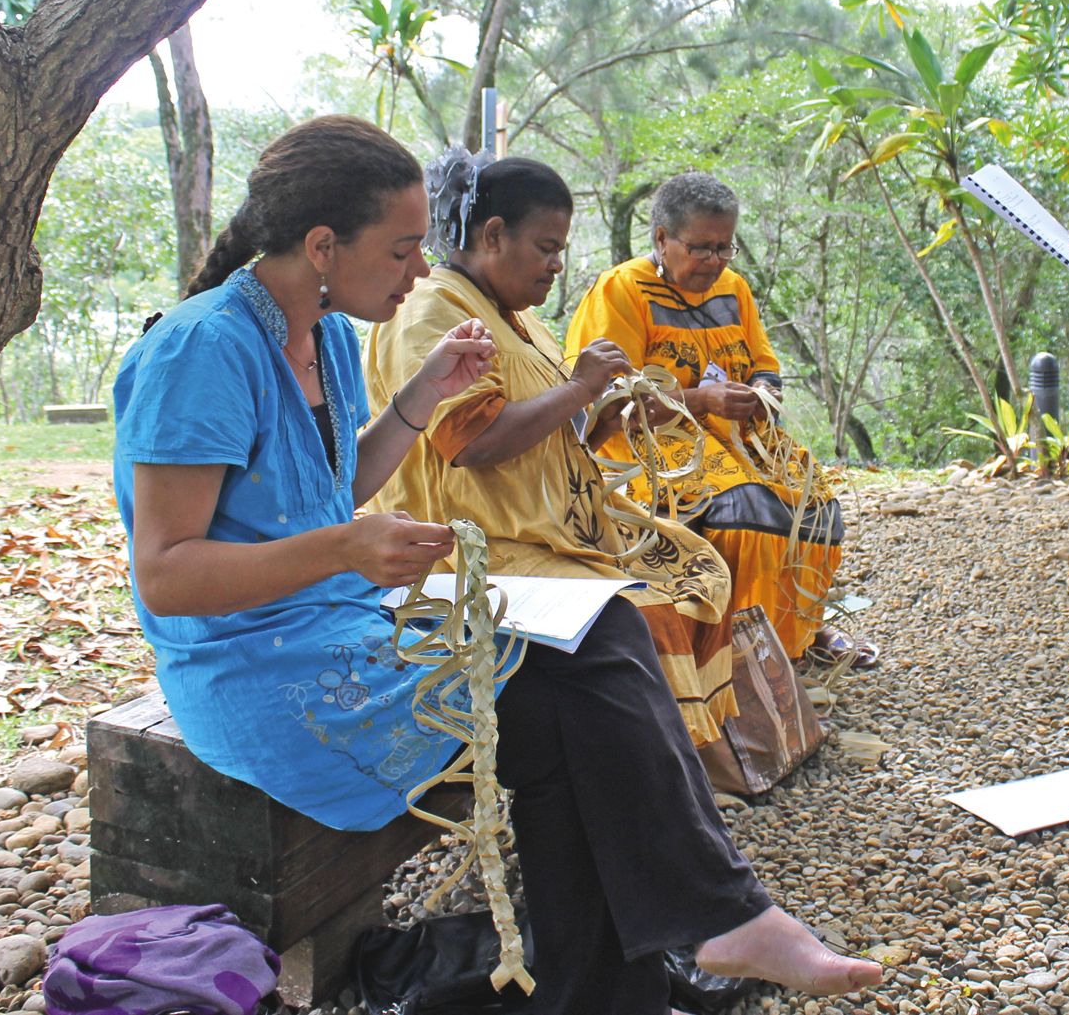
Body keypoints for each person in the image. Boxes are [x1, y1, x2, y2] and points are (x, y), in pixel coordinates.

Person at [112, 117, 881, 1012]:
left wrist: (413, 402)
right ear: (323, 246)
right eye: (402, 250)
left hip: (339, 619)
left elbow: (327, 485)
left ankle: (637, 966)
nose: (416, 270)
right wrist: (347, 547)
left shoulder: (319, 333)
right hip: (260, 668)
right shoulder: (202, 349)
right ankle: (706, 920)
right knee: (579, 691)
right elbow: (166, 574)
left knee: (601, 639)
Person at [362, 153, 739, 747]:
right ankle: (649, 764)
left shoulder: (522, 320)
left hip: (556, 529)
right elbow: (473, 441)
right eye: (546, 247)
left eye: (560, 250)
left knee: (696, 566)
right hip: (478, 547)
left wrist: (604, 408)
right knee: (647, 616)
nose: (557, 266)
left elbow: (557, 434)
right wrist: (579, 387)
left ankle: (687, 754)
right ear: (492, 235)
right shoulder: (431, 308)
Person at [565, 172, 871, 666]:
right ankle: (738, 655)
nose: (714, 261)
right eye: (701, 248)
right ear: (662, 239)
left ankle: (797, 633)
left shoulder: (733, 289)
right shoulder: (621, 291)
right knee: (746, 513)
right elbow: (608, 405)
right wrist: (701, 401)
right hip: (652, 444)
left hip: (738, 437)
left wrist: (763, 391)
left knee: (817, 504)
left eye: (725, 248)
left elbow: (764, 362)